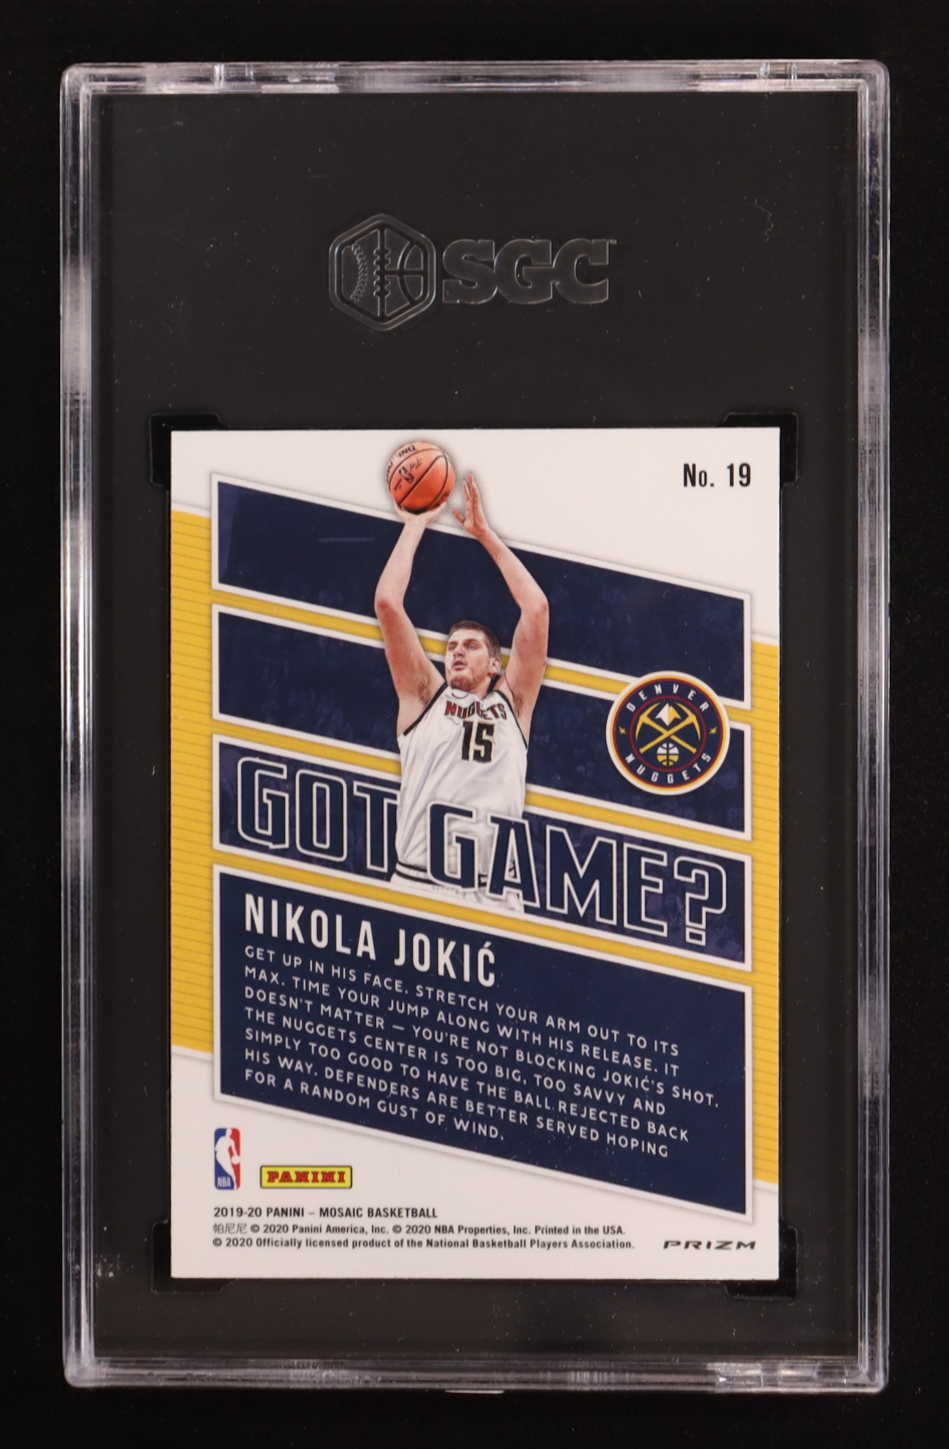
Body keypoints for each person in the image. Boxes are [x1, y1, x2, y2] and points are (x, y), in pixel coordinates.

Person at [374, 473, 549, 908]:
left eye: (470, 647)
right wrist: (415, 524)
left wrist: (486, 535)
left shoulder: (514, 706)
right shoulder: (424, 699)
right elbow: (388, 604)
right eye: (451, 647)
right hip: (420, 885)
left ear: (495, 664)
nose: (456, 652)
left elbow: (537, 609)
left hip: (496, 895)